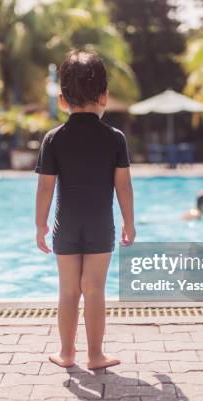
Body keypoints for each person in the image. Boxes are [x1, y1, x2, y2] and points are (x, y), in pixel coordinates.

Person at [35, 50, 135, 370]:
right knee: (94, 290)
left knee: (67, 291)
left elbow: (46, 188)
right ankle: (95, 355)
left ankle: (66, 354)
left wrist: (40, 225)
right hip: (100, 225)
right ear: (104, 96)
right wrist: (129, 222)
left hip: (66, 225)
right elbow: (123, 186)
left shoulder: (53, 140)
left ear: (62, 99)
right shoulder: (115, 139)